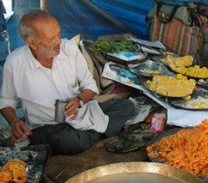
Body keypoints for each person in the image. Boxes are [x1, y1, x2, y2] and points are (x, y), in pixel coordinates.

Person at [0, 10, 135, 155]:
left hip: (81, 113)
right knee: (66, 140)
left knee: (127, 106)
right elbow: (6, 101)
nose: (58, 41)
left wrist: (79, 100)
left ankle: (91, 133)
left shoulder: (69, 49)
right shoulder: (15, 63)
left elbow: (90, 86)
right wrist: (14, 122)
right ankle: (97, 132)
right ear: (32, 42)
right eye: (51, 38)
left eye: (59, 34)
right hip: (47, 126)